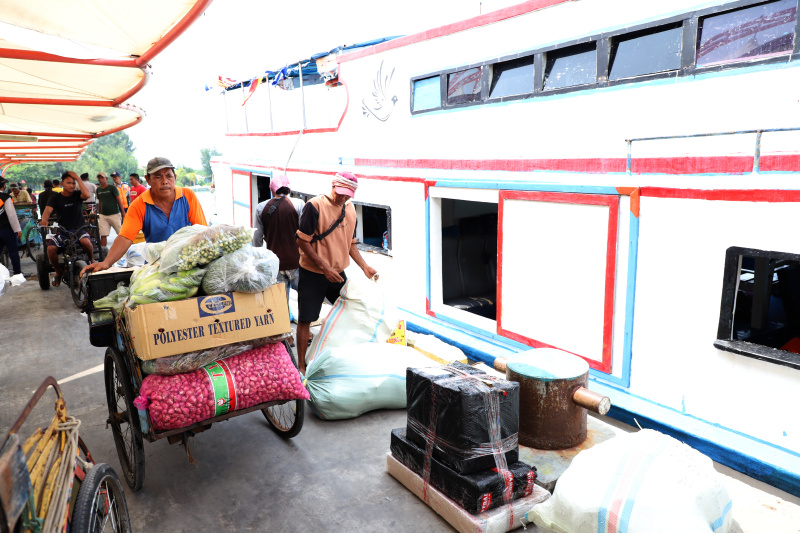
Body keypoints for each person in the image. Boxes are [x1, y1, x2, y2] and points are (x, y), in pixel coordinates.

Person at [295, 171, 378, 374]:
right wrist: (325, 267)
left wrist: (364, 267)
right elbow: (302, 241)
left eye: (348, 195)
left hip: (338, 273)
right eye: (340, 193)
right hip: (313, 273)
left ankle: (344, 355)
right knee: (306, 318)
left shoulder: (350, 210)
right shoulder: (314, 206)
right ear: (333, 186)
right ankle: (301, 364)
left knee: (351, 312)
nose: (343, 198)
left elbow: (350, 244)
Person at [81, 157, 207, 276]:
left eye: (169, 176)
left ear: (175, 177)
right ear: (148, 180)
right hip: (157, 266)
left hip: (189, 262)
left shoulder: (188, 196)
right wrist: (106, 263)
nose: (164, 181)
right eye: (158, 177)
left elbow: (202, 232)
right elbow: (125, 237)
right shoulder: (139, 205)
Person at [253, 174, 305, 344]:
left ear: (271, 189)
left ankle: (287, 336)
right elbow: (305, 233)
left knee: (281, 302)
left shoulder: (261, 208)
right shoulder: (298, 204)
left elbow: (257, 240)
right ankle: (306, 333)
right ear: (288, 188)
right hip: (297, 262)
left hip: (275, 263)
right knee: (305, 297)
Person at [40, 171, 93, 287]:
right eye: (69, 183)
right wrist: (44, 220)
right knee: (50, 249)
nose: (72, 185)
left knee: (86, 242)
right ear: (62, 184)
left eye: (73, 183)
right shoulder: (55, 198)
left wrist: (78, 178)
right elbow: (47, 212)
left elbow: (88, 195)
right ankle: (58, 273)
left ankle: (92, 262)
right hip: (63, 231)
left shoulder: (78, 195)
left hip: (80, 229)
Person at [96, 171, 126, 247]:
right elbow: (100, 202)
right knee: (103, 234)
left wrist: (123, 213)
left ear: (106, 178)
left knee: (121, 233)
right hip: (103, 215)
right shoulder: (98, 189)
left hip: (114, 214)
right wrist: (99, 213)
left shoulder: (112, 188)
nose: (100, 179)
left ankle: (124, 248)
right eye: (99, 178)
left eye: (102, 178)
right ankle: (103, 251)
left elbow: (119, 200)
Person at [0, 178, 23, 276]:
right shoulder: (6, 197)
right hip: (7, 230)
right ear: (3, 186)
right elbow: (11, 215)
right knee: (13, 252)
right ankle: (17, 273)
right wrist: (17, 229)